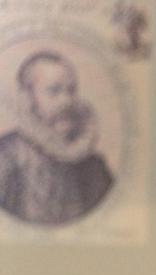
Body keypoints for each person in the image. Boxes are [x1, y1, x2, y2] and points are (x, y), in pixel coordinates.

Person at [0, 50, 114, 225]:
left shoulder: (94, 166)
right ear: (27, 99)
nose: (66, 101)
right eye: (54, 91)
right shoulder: (6, 156)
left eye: (71, 90)